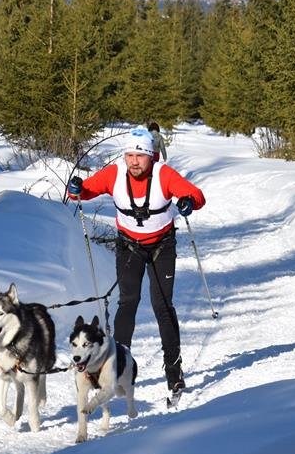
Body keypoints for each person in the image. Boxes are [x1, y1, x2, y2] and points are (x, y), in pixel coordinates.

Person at [66, 125, 205, 396]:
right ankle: (116, 368)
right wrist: (76, 188)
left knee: (162, 305)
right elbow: (82, 192)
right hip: (129, 246)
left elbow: (197, 195)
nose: (134, 161)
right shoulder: (115, 173)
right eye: (129, 155)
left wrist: (188, 202)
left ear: (151, 156)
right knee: (127, 302)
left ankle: (173, 371)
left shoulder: (163, 173)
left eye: (140, 156)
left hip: (161, 247)